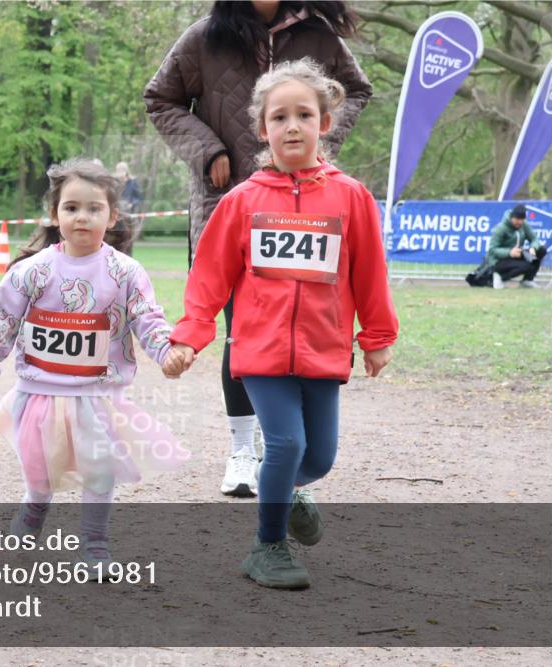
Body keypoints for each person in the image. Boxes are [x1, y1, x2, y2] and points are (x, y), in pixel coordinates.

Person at [163, 59, 397, 588]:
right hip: (261, 351)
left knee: (319, 456)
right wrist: (190, 337)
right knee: (286, 445)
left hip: (323, 349)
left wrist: (377, 337)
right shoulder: (243, 200)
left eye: (304, 115)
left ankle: (284, 490)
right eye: (279, 117)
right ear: (262, 128)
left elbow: (370, 273)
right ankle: (267, 545)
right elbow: (209, 278)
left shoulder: (351, 197)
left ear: (325, 124)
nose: (292, 126)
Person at [144, 0, 372, 497]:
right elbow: (159, 98)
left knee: (300, 320)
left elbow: (356, 90)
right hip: (226, 202)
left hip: (307, 210)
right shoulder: (205, 36)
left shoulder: (318, 33)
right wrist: (208, 150)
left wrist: (318, 144)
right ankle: (242, 450)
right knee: (238, 331)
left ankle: (282, 447)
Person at [0, 158, 187, 571]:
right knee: (40, 472)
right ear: (54, 214)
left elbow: (147, 318)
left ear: (112, 216)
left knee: (100, 471)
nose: (81, 217)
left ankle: (95, 544)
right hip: (39, 394)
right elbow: (1, 322)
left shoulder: (125, 272)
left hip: (99, 396)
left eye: (93, 208)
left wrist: (166, 352)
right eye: (71, 208)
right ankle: (34, 508)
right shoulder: (31, 273)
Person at [487, 204, 546, 289]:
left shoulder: (524, 225)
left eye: (522, 219)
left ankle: (527, 280)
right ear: (512, 217)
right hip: (499, 260)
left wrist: (533, 247)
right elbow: (492, 249)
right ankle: (500, 276)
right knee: (526, 266)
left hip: (517, 255)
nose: (520, 222)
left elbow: (535, 239)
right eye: (517, 219)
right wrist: (509, 252)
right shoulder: (500, 228)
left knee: (541, 250)